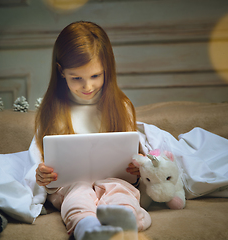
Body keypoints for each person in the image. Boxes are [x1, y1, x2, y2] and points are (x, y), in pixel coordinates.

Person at [35, 21, 151, 240]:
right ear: (61, 71)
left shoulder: (121, 105)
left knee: (119, 189)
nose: (87, 86)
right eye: (77, 78)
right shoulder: (52, 110)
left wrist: (137, 170)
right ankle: (87, 227)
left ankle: (126, 219)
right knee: (78, 191)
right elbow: (45, 167)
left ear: (107, 69)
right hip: (69, 186)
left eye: (95, 76)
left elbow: (131, 164)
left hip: (115, 180)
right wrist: (44, 176)